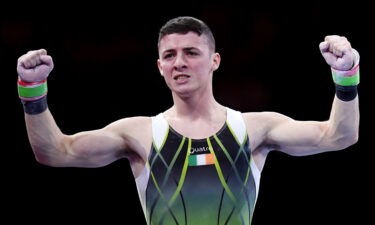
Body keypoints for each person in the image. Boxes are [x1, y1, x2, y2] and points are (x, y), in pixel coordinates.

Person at [17, 16, 359, 225]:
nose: (179, 62)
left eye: (191, 52)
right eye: (169, 55)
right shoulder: (138, 133)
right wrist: (32, 91)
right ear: (159, 67)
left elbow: (338, 136)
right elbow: (55, 152)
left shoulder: (255, 128)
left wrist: (345, 77)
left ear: (215, 60)